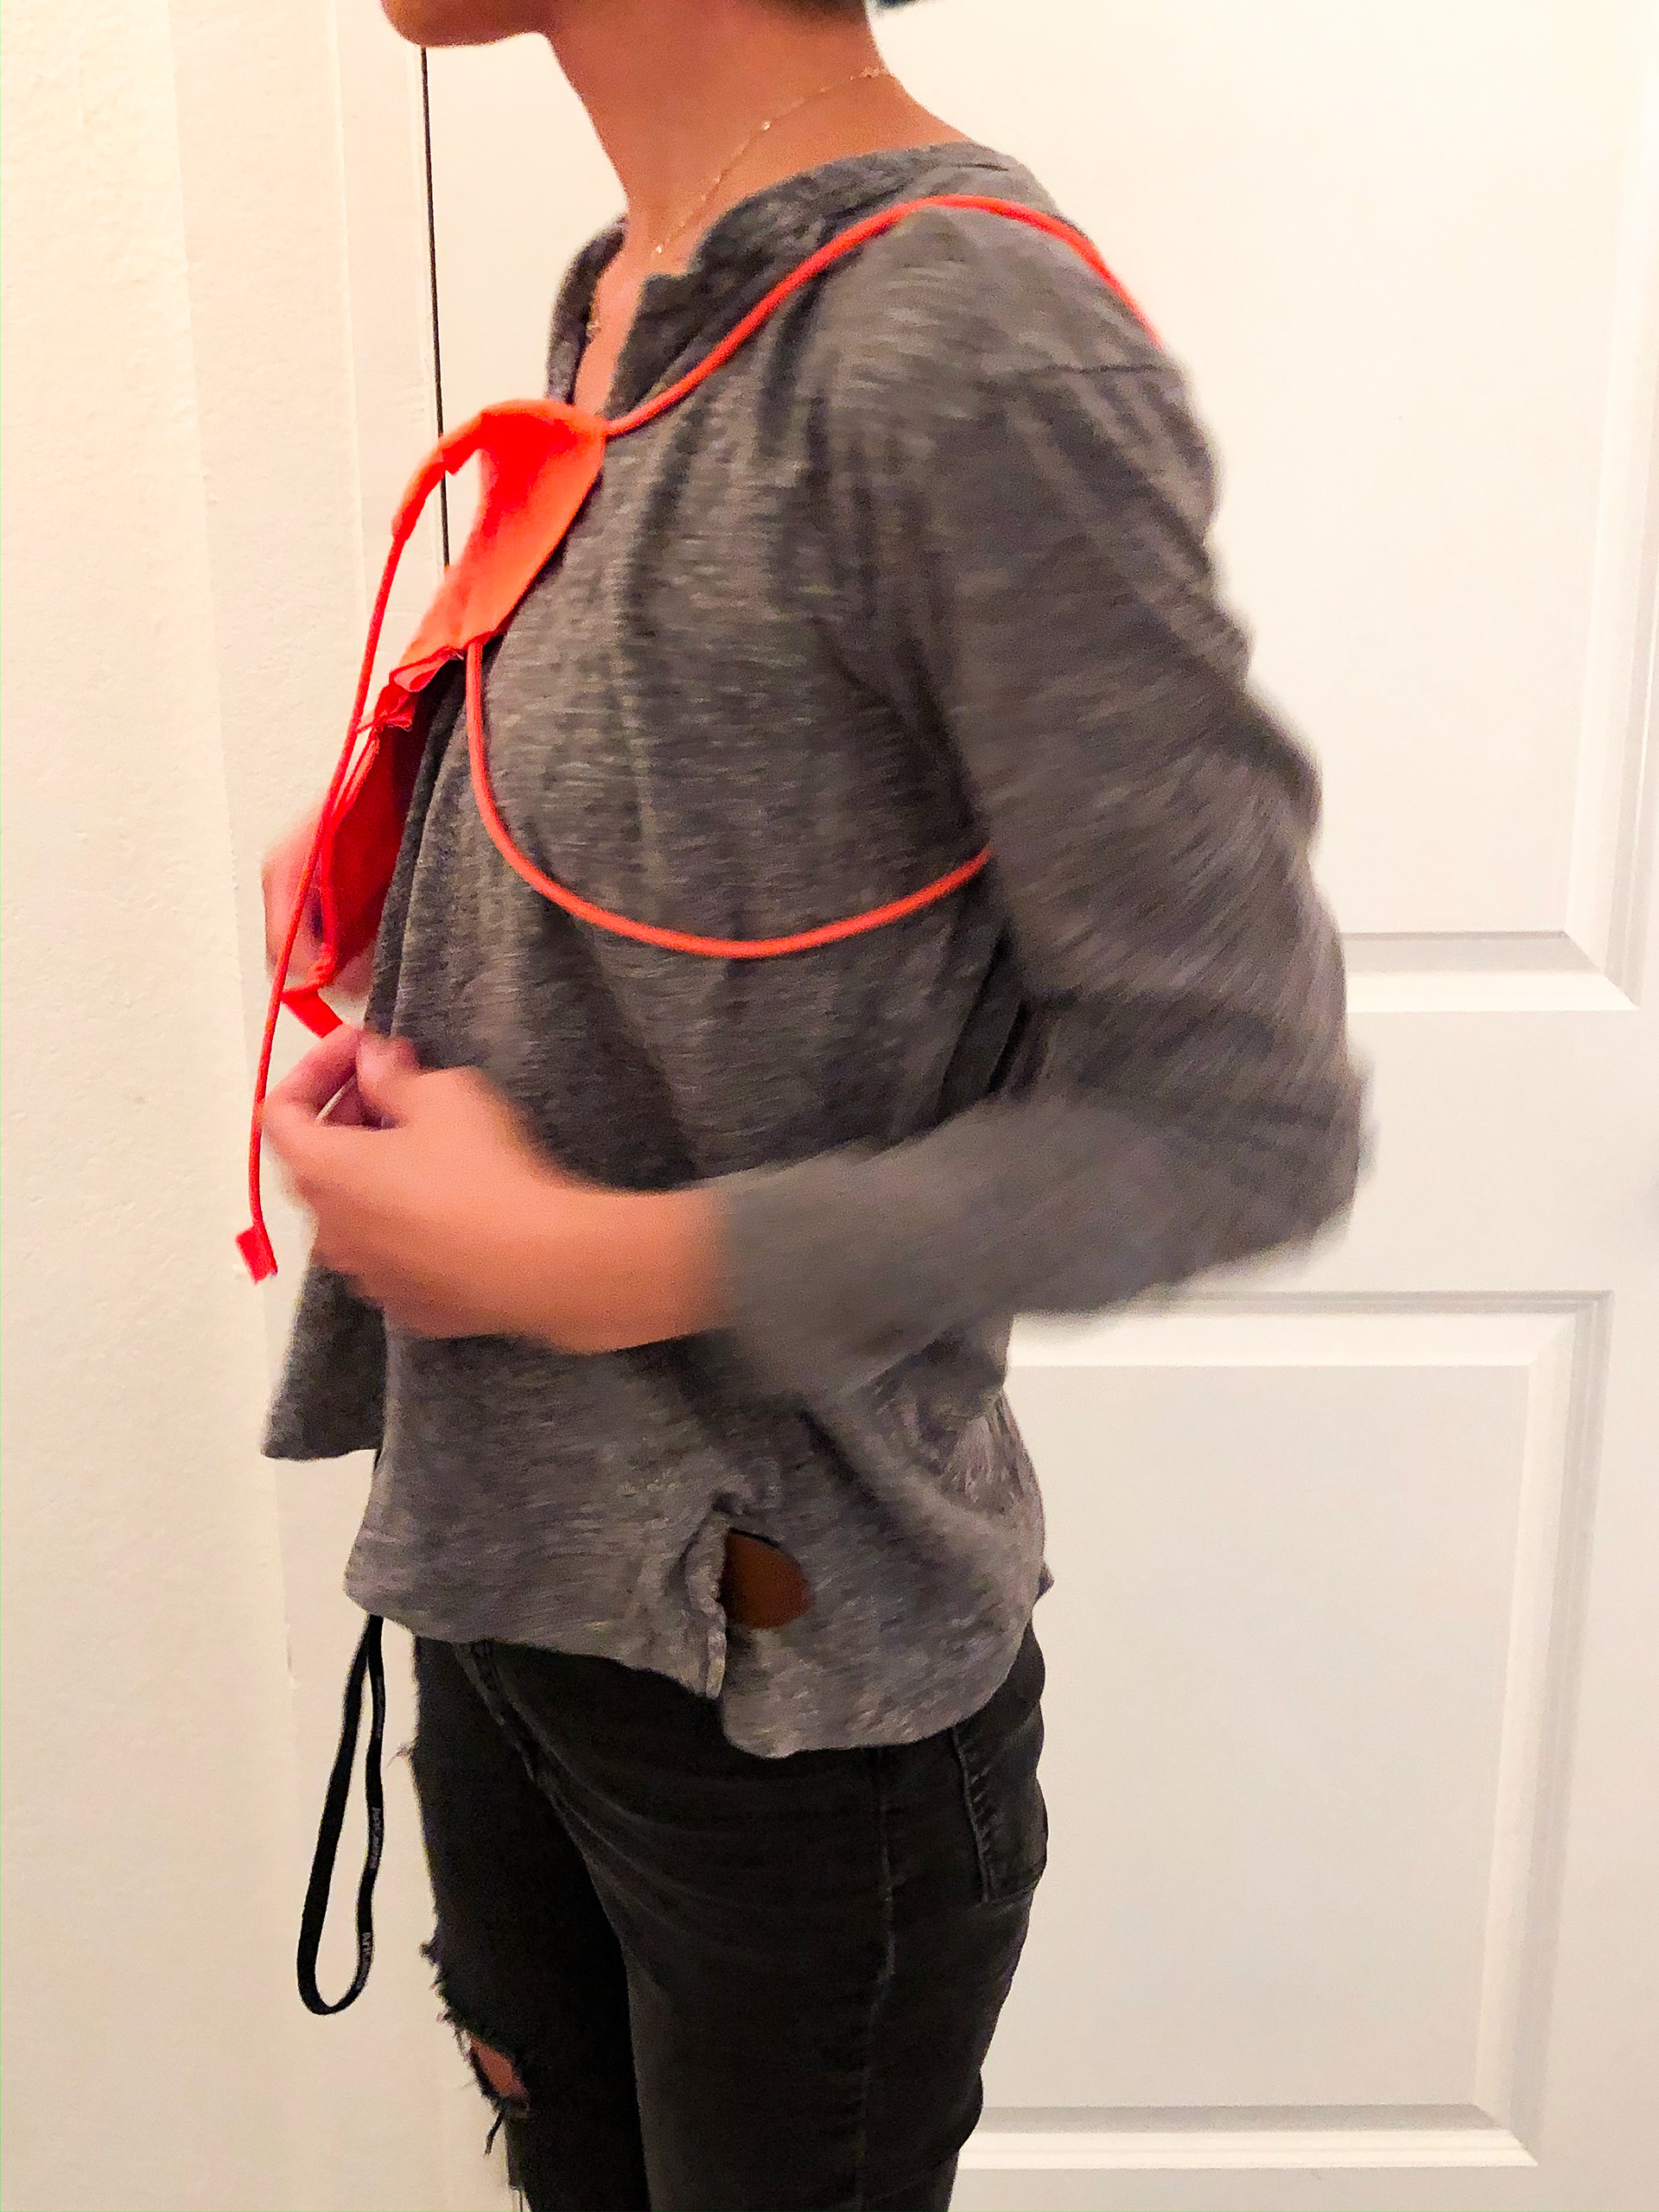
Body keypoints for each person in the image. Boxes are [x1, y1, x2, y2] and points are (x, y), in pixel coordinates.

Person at [259, 0, 1365, 2204]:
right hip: (507, 1594)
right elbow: (748, 898)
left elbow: (1240, 1111)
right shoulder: (628, 289)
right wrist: (418, 889)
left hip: (787, 1695)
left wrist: (591, 1262)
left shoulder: (963, 348)